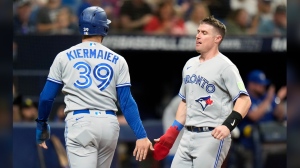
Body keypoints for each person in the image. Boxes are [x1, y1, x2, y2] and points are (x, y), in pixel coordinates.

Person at [35, 6, 154, 168]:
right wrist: (141, 135)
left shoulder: (63, 56)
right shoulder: (118, 59)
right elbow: (126, 102)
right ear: (104, 28)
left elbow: (46, 97)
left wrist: (42, 124)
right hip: (109, 125)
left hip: (81, 122)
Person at [152, 15, 252, 168]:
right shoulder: (189, 64)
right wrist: (173, 132)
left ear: (217, 38)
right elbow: (185, 101)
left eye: (204, 33)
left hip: (211, 135)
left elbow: (244, 100)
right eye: (198, 31)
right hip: (187, 135)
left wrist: (228, 125)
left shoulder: (226, 66)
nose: (198, 35)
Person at [235, 69, 287, 168]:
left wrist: (279, 99)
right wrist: (268, 99)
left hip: (270, 142)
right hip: (249, 144)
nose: (264, 86)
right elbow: (253, 116)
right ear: (251, 84)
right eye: (260, 84)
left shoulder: (266, 96)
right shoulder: (243, 97)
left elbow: (280, 116)